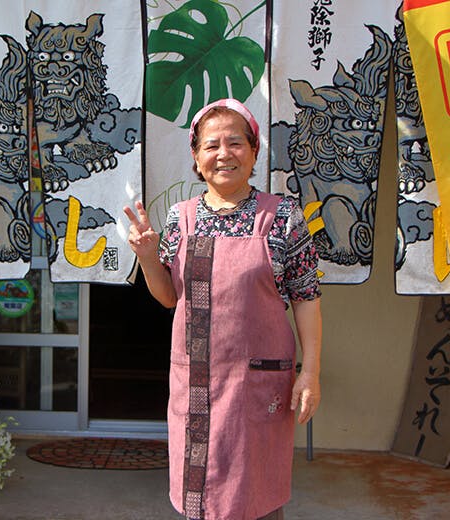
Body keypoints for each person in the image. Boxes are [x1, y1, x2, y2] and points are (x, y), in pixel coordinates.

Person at [123, 98, 322, 520]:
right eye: (211, 145)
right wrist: (146, 256)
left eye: (235, 143)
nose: (223, 154)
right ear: (196, 159)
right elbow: (170, 298)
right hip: (195, 388)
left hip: (257, 386)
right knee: (199, 498)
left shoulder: (283, 217)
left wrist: (311, 373)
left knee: (257, 499)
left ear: (253, 153)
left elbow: (306, 297)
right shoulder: (182, 218)